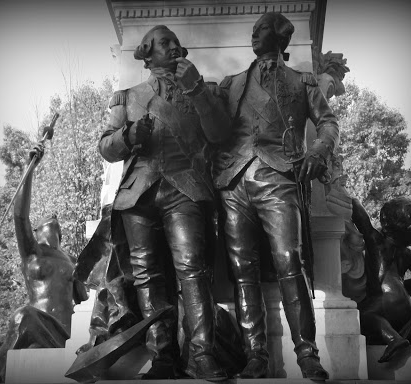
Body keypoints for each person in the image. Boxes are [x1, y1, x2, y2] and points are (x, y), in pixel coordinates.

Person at [98, 25, 231, 381]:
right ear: (147, 52)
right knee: (147, 276)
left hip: (184, 189)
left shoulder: (201, 89)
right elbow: (106, 147)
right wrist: (127, 136)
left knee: (191, 267)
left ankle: (202, 354)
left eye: (176, 42)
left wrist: (198, 90)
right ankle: (163, 357)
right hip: (138, 193)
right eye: (165, 43)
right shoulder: (126, 97)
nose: (175, 47)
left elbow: (220, 134)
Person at [213, 12, 340, 380]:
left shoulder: (302, 81)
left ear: (282, 37)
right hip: (234, 182)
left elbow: (328, 121)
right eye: (254, 29)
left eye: (263, 29)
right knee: (242, 270)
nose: (255, 33)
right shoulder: (231, 83)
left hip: (280, 177)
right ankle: (255, 354)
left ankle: (307, 353)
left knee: (290, 260)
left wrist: (318, 150)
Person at [0, 143, 87, 383]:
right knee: (22, 317)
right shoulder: (32, 252)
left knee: (24, 318)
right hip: (37, 323)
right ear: (36, 230)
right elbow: (20, 215)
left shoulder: (74, 261)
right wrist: (30, 169)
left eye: (55, 219)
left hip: (66, 333)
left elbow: (85, 300)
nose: (53, 216)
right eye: (46, 219)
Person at [351, 197, 411, 363]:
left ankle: (393, 339)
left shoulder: (377, 242)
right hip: (406, 304)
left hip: (386, 301)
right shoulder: (407, 254)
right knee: (380, 318)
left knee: (362, 316)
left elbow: (363, 221)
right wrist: (406, 287)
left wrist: (352, 200)